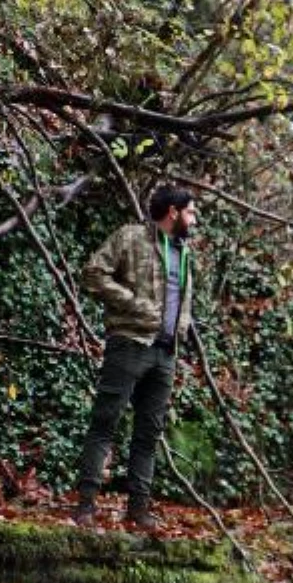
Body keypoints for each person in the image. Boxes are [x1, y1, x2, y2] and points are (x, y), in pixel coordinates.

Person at [72, 185, 197, 529]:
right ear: (172, 212)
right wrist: (136, 304)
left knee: (149, 434)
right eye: (190, 212)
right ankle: (85, 507)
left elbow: (182, 300)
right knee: (105, 423)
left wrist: (181, 327)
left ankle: (138, 510)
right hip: (129, 343)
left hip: (165, 353)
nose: (194, 219)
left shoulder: (183, 251)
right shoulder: (131, 237)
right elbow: (93, 274)